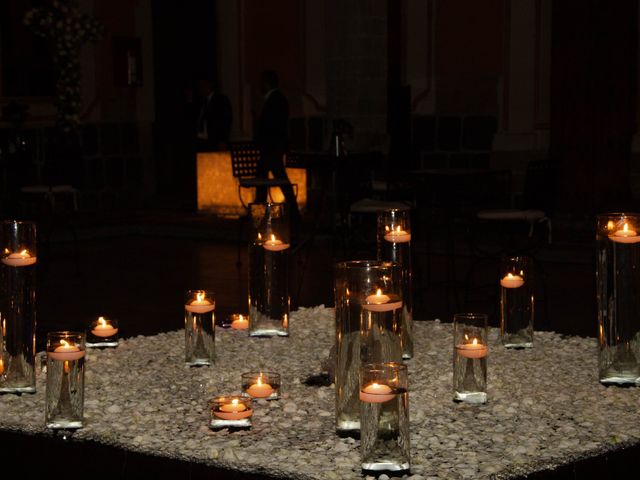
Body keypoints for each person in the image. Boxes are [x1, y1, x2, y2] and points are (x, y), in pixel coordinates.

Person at [253, 70, 301, 222]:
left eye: (262, 82)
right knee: (272, 178)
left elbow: (270, 125)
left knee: (267, 179)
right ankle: (290, 211)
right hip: (273, 147)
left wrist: (258, 123)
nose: (259, 86)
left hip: (271, 147)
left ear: (267, 83)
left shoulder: (274, 100)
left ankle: (259, 215)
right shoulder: (278, 99)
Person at [195, 77, 232, 152]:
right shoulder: (200, 102)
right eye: (200, 85)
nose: (201, 88)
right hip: (202, 141)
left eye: (203, 85)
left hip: (215, 141)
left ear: (209, 85)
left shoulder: (221, 100)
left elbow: (226, 120)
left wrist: (222, 140)